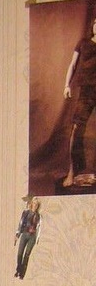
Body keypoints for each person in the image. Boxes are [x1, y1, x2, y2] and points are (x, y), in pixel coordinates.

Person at [62, 15, 96, 187]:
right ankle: (72, 171)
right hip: (86, 91)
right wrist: (66, 85)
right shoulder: (83, 43)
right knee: (76, 129)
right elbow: (72, 64)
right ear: (93, 25)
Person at [14, 195, 41, 279]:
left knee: (26, 255)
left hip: (32, 237)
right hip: (25, 234)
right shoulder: (26, 213)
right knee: (20, 253)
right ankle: (18, 270)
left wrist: (37, 238)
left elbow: (39, 227)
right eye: (34, 203)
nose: (35, 205)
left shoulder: (38, 216)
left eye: (36, 204)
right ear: (31, 204)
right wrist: (17, 234)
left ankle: (22, 274)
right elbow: (21, 223)